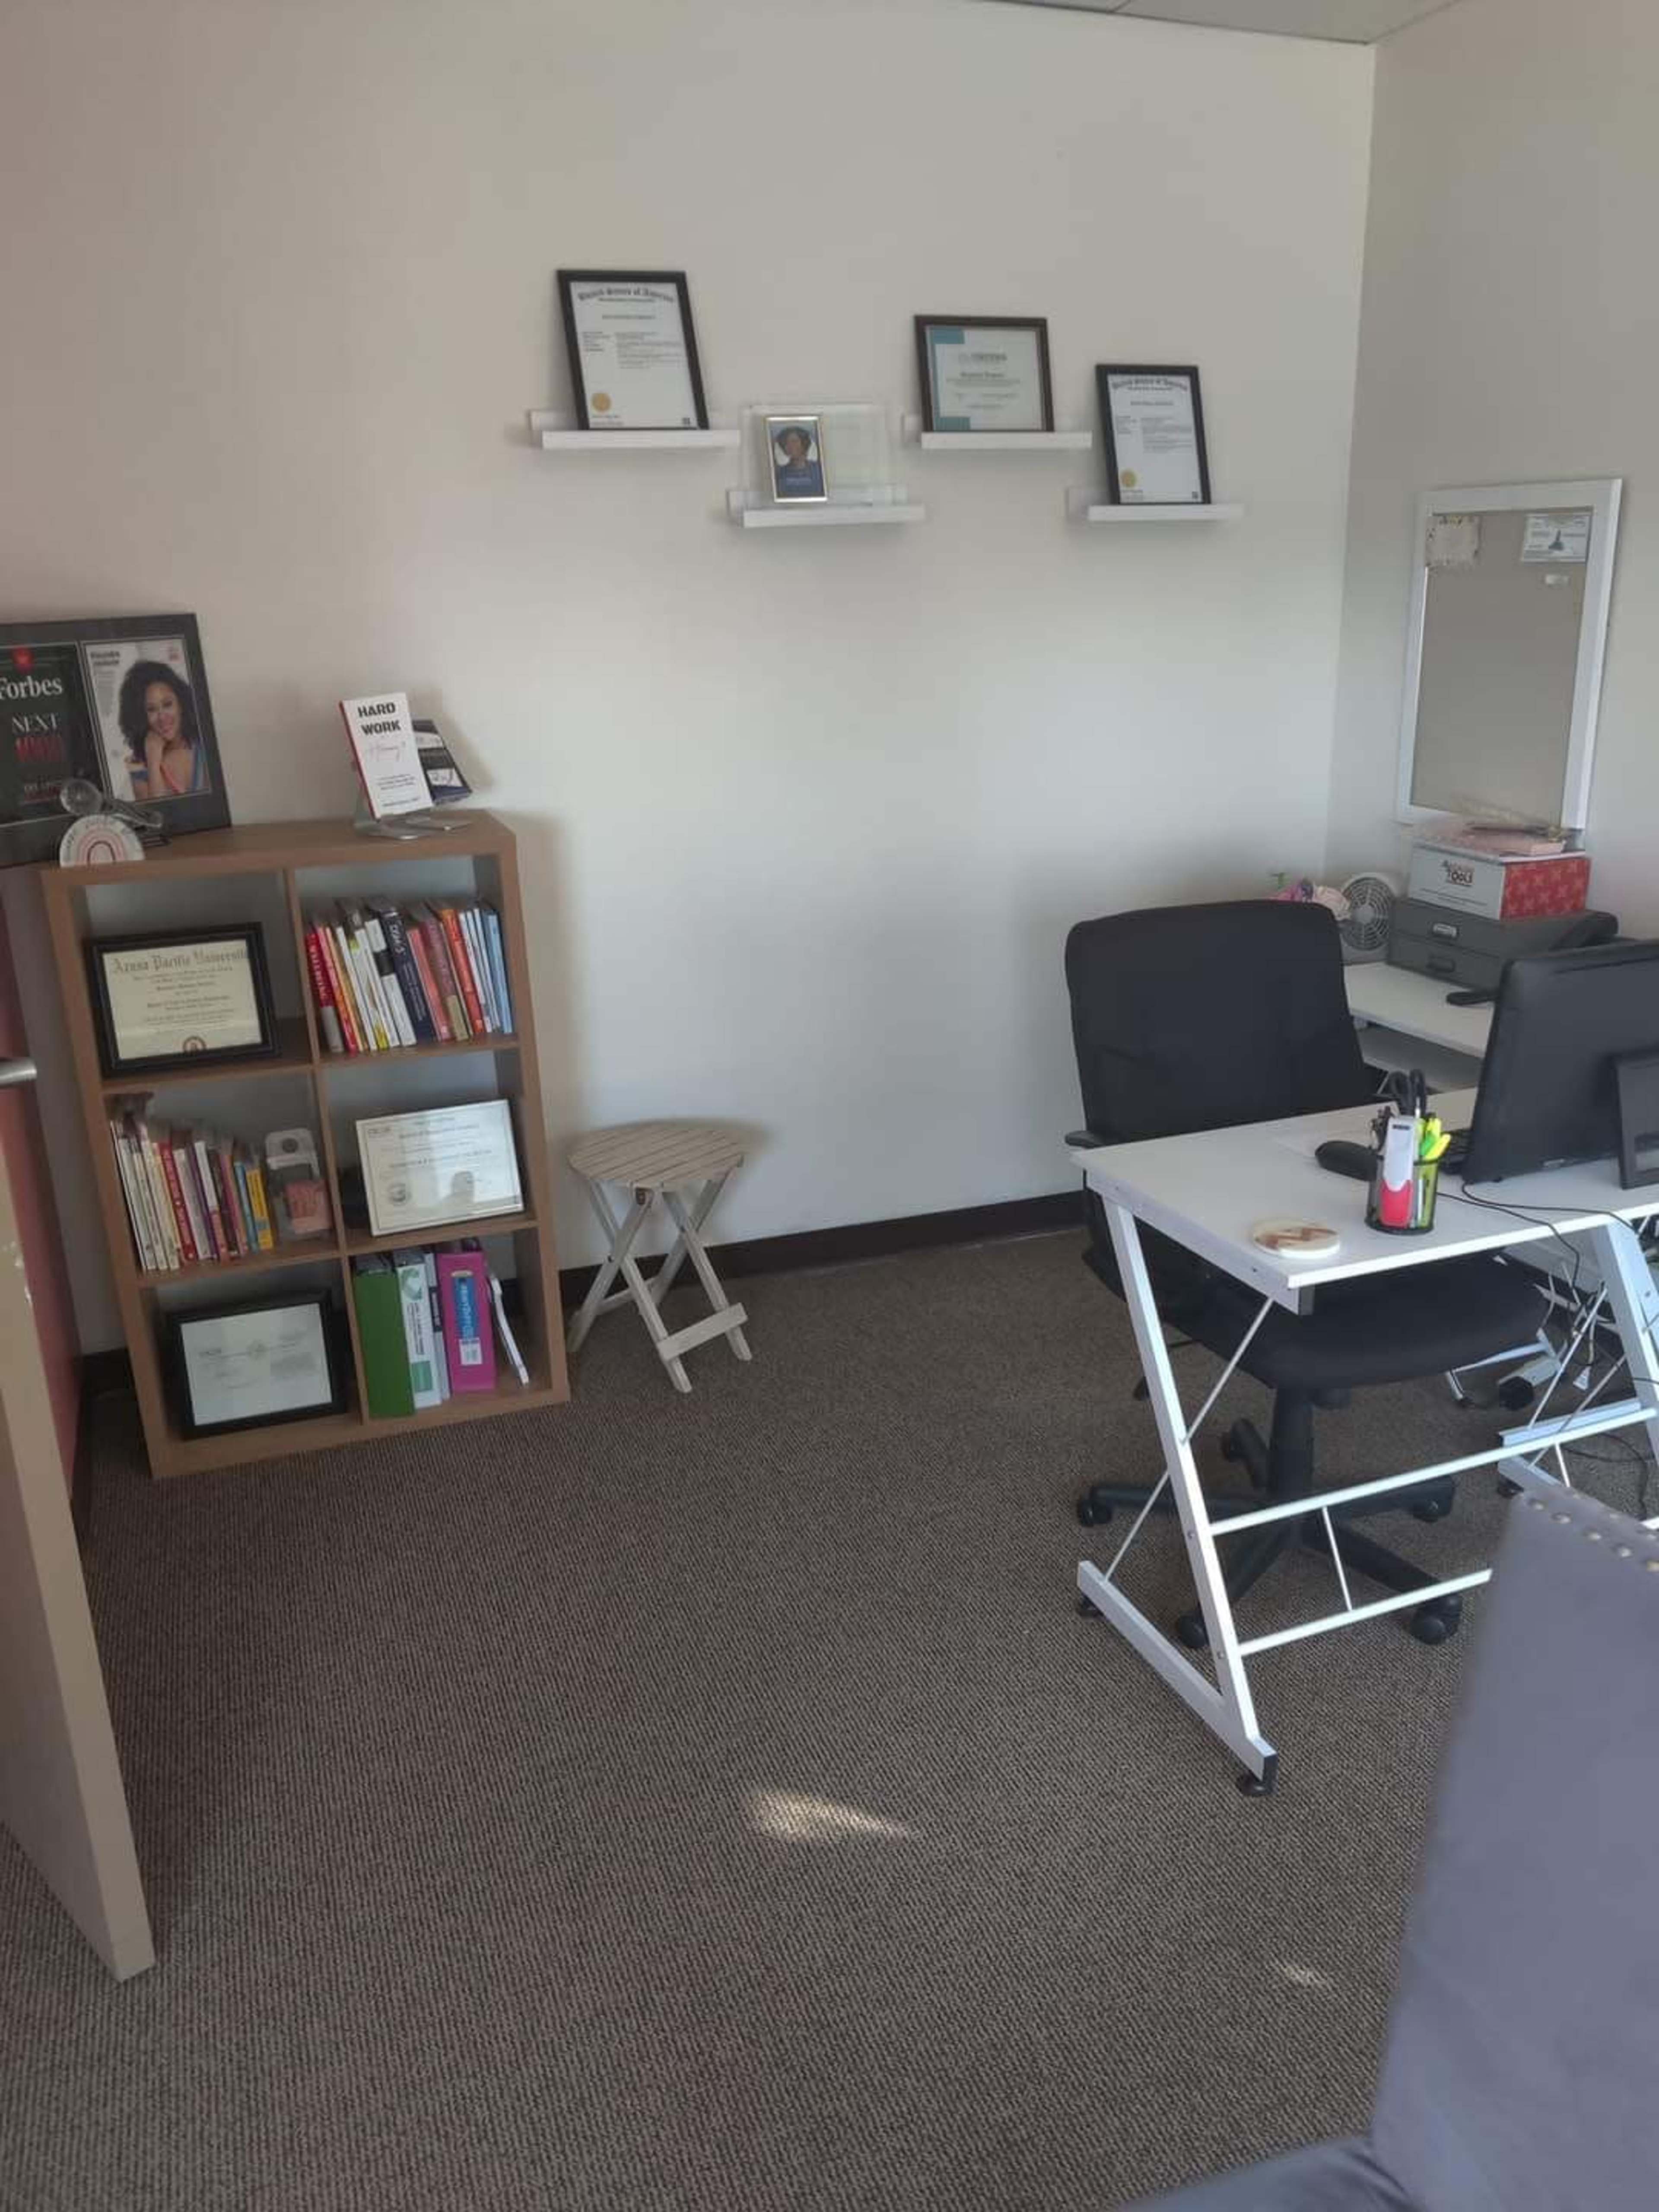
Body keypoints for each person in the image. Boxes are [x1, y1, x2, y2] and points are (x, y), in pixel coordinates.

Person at [117, 660, 207, 799]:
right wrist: (153, 763)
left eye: (167, 705)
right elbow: (155, 815)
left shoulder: (205, 746)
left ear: (181, 704)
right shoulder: (139, 765)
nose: (162, 717)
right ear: (141, 715)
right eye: (152, 709)